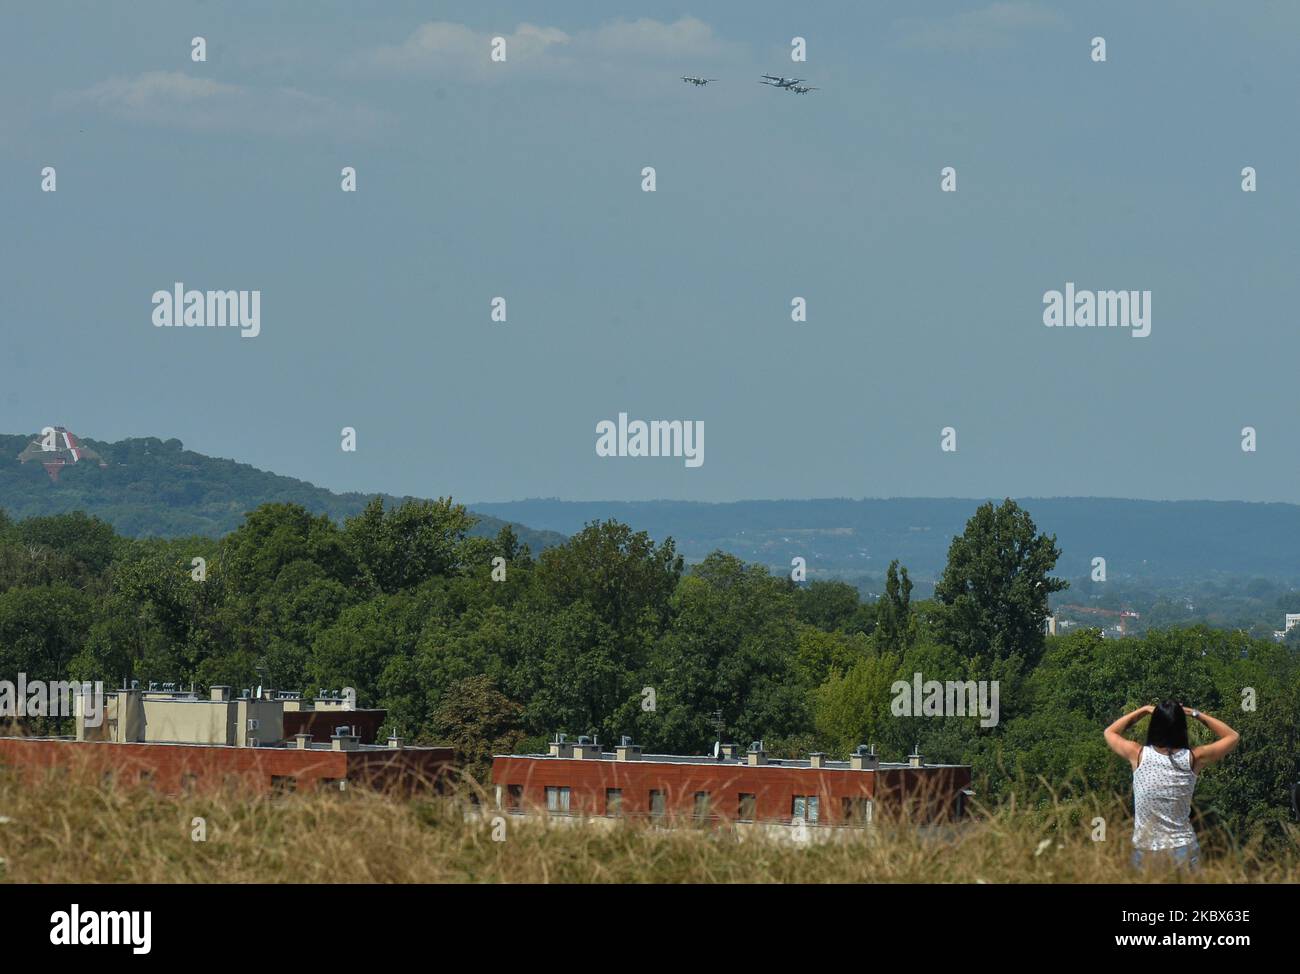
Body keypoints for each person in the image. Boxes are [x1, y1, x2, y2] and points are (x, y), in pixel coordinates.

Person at [1103, 701, 1239, 871]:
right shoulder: (1194, 758)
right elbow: (1232, 736)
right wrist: (1195, 713)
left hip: (1145, 851)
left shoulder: (1137, 754)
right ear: (1182, 728)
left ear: (1154, 726)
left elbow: (1110, 732)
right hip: (1183, 849)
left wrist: (1143, 710)